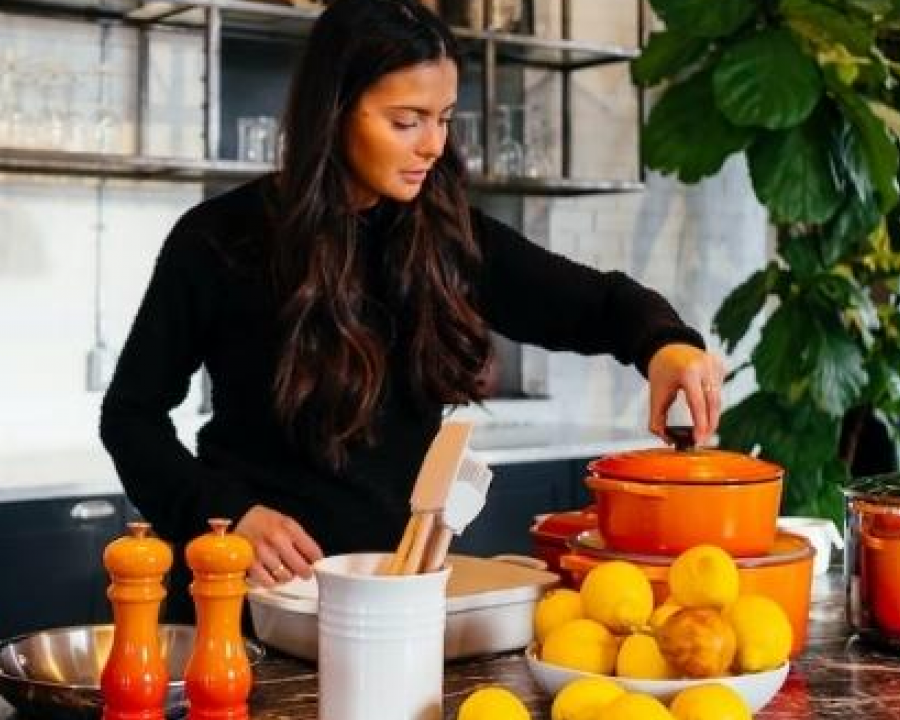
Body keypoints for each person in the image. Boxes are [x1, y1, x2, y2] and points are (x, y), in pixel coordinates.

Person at [100, 0, 724, 622]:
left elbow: (600, 305)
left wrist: (664, 343)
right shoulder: (218, 240)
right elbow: (131, 417)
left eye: (444, 119)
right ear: (335, 111)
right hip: (246, 605)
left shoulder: (447, 237)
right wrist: (229, 515)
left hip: (394, 603)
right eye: (406, 121)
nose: (432, 146)